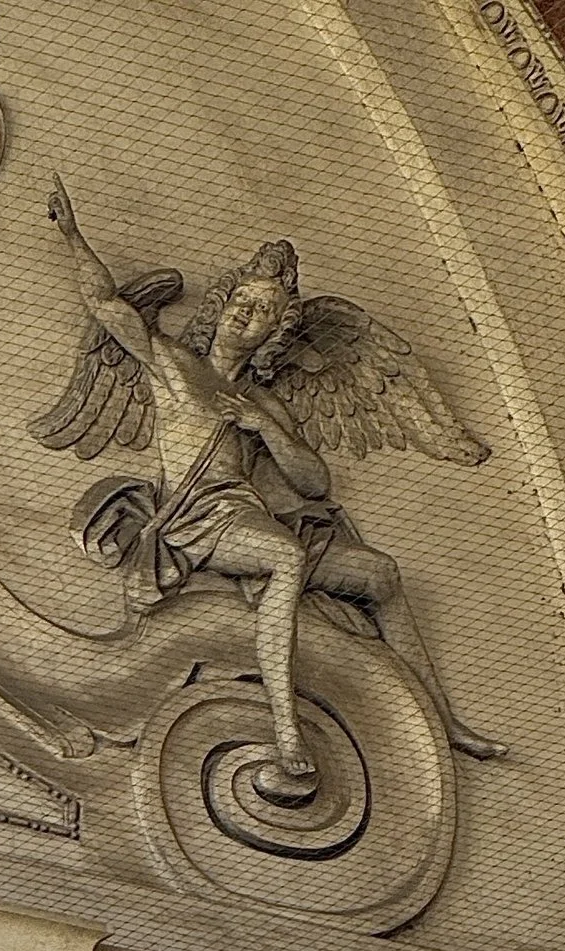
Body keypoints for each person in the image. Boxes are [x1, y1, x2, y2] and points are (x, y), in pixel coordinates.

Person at [41, 200, 501, 796]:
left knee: (382, 576)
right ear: (222, 306)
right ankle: (286, 726)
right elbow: (108, 308)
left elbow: (314, 484)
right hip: (198, 519)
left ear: (272, 333)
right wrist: (74, 234)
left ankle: (445, 721)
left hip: (248, 518)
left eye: (261, 313)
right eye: (241, 303)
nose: (245, 316)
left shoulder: (267, 406)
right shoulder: (175, 367)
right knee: (284, 557)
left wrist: (266, 431)